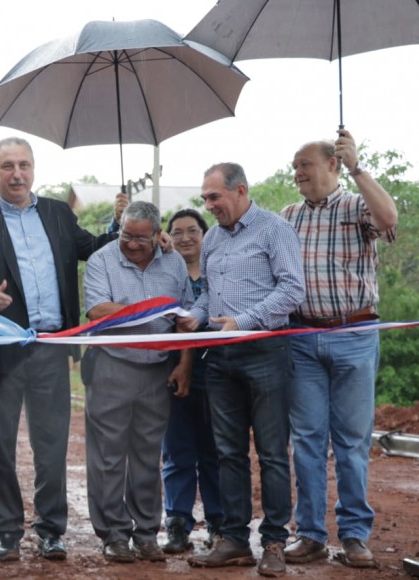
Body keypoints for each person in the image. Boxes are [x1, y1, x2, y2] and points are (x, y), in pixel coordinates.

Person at [0, 136, 116, 562]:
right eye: (7, 166)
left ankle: (51, 530)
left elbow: (91, 250)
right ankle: (6, 531)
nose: (17, 173)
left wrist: (119, 226)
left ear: (34, 169)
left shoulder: (59, 214)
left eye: (23, 164)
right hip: (0, 351)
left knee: (52, 444)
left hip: (51, 348)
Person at [180, 162, 305, 578]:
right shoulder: (212, 239)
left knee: (271, 453)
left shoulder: (274, 229)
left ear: (240, 190)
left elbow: (292, 289)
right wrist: (193, 317)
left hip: (265, 351)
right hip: (219, 358)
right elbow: (210, 298)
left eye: (214, 197)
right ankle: (234, 540)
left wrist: (244, 321)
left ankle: (273, 542)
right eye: (205, 198)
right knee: (227, 453)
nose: (209, 206)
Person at [281, 128, 397, 569]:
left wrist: (358, 167)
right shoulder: (288, 215)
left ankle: (353, 535)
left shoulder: (356, 205)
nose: (297, 174)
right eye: (294, 167)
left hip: (354, 335)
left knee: (350, 443)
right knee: (307, 441)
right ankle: (309, 534)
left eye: (304, 165)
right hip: (302, 338)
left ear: (331, 164)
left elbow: (388, 220)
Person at [82, 201, 192, 564]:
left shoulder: (173, 261)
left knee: (147, 456)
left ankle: (146, 533)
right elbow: (97, 310)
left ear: (157, 234)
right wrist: (151, 307)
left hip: (157, 369)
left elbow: (185, 318)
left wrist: (185, 365)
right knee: (109, 457)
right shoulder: (102, 259)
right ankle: (113, 534)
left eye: (140, 238)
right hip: (113, 366)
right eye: (126, 235)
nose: (131, 244)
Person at [161, 208, 223, 554]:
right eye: (177, 231)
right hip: (173, 371)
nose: (185, 237)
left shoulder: (218, 271)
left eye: (193, 230)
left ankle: (217, 521)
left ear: (205, 234)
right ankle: (177, 524)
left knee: (215, 451)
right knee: (177, 451)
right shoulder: (165, 272)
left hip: (217, 373)